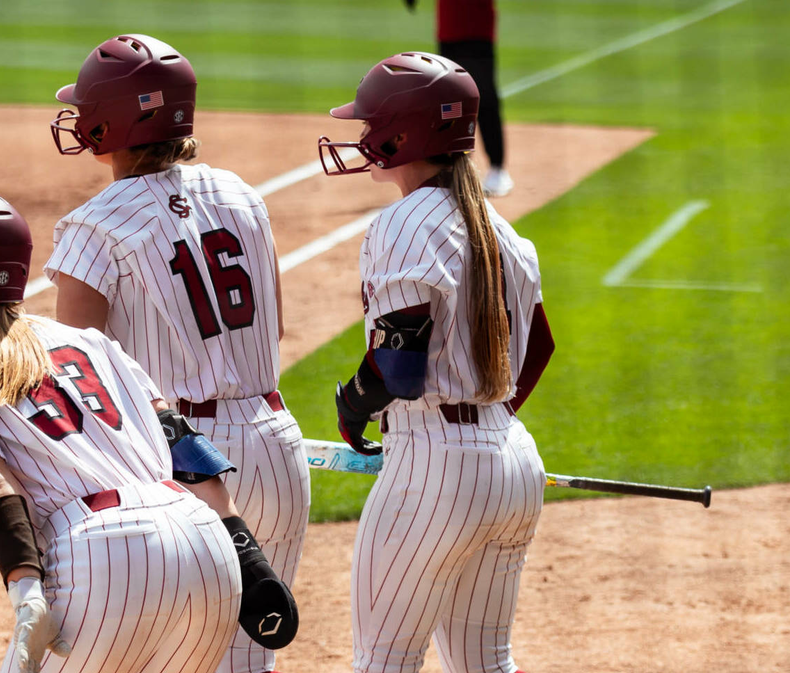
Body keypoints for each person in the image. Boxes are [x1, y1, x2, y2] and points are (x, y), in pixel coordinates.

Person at [0, 185, 297, 673]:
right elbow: (182, 443)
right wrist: (246, 553)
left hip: (105, 559)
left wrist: (27, 594)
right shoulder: (92, 343)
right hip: (205, 544)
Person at [46, 34, 310, 673]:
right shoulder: (243, 195)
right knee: (249, 664)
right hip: (277, 444)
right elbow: (271, 331)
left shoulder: (95, 225)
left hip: (182, 464)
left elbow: (77, 380)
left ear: (110, 122)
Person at [317, 52, 554, 673]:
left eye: (371, 124)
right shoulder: (507, 234)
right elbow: (541, 347)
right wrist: (487, 425)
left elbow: (398, 367)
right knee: (484, 662)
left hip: (433, 473)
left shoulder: (402, 223)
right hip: (515, 465)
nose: (362, 135)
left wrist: (352, 406)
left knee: (385, 660)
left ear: (403, 133)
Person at [404, 0, 511, 197]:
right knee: (451, 100)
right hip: (448, 30)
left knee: (485, 99)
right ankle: (455, 168)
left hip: (478, 31)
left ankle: (497, 169)